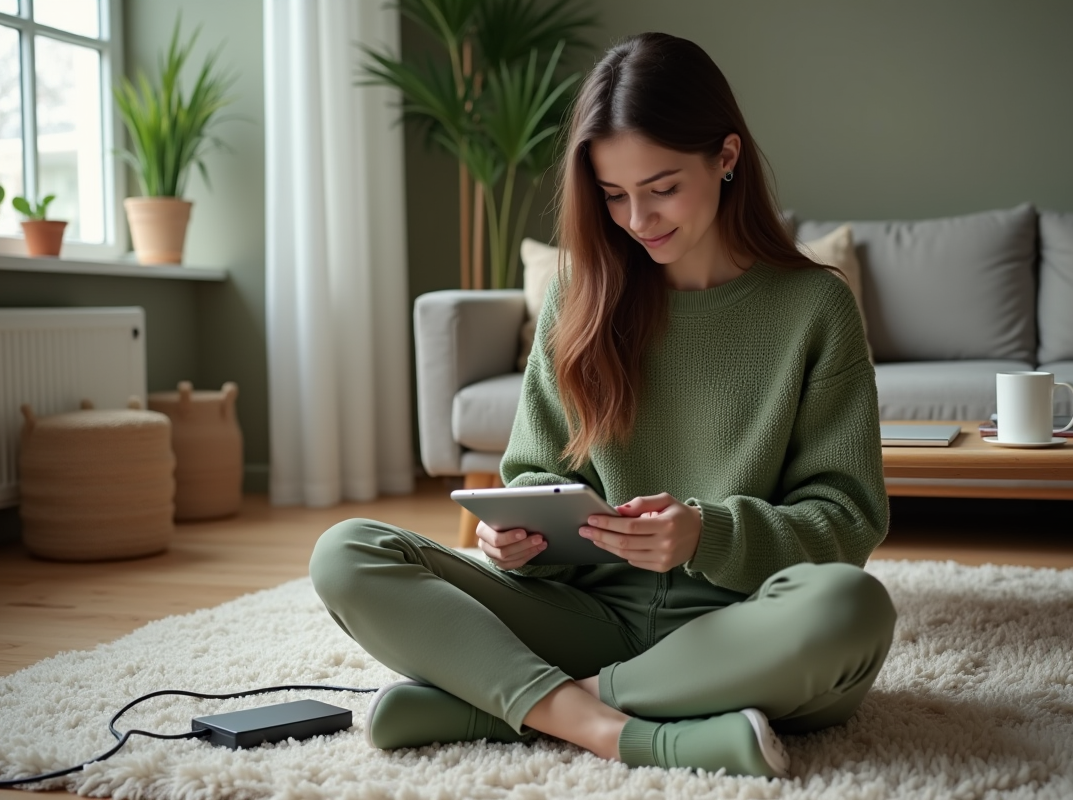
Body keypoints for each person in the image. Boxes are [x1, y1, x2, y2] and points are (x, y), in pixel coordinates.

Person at [310, 31, 896, 780]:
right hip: (581, 617)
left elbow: (846, 520)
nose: (637, 219)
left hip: (736, 629)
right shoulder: (577, 298)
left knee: (851, 609)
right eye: (613, 195)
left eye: (661, 187)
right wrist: (512, 536)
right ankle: (626, 729)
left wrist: (706, 534)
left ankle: (499, 708)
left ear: (726, 157)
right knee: (348, 552)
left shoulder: (815, 307)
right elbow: (533, 475)